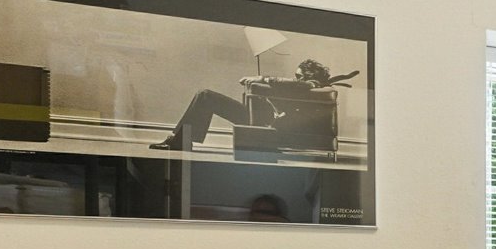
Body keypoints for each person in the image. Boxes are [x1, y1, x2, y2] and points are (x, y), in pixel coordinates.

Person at [151, 58, 359, 152]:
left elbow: (297, 85)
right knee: (205, 96)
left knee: (206, 96)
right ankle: (181, 139)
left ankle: (180, 140)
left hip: (267, 124)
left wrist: (261, 78)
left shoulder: (310, 84)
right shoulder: (309, 86)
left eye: (297, 74)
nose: (294, 77)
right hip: (265, 119)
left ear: (307, 75)